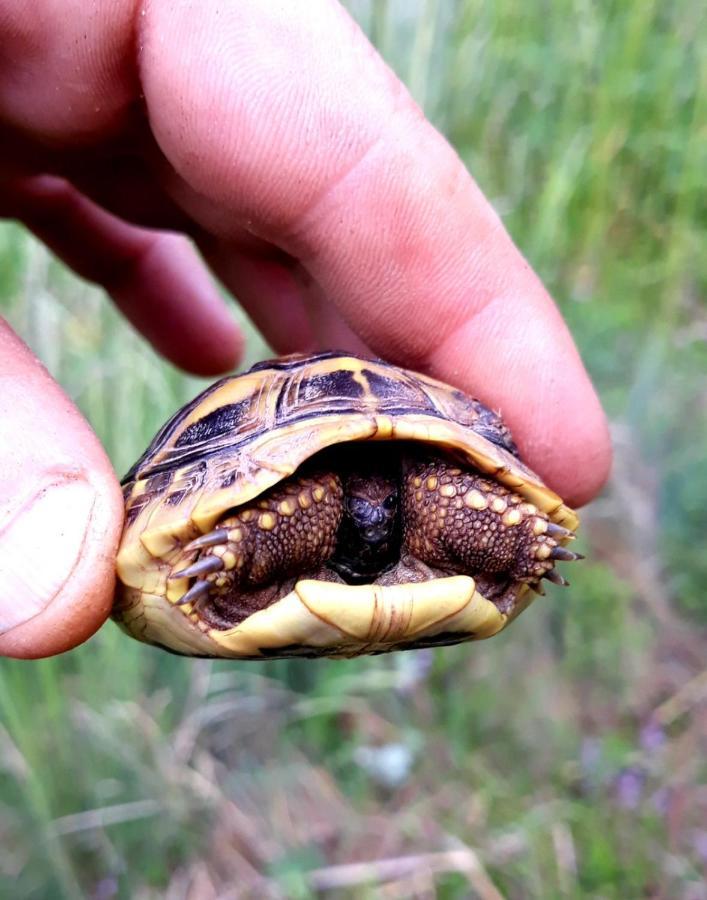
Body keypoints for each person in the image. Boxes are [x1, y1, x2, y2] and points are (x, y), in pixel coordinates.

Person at [0, 1, 611, 659]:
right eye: (359, 506)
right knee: (297, 506)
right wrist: (235, 539)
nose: (373, 521)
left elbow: (485, 509)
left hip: (410, 510)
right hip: (235, 537)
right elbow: (286, 506)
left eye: (381, 506)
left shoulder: (431, 504)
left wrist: (522, 532)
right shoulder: (308, 506)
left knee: (474, 507)